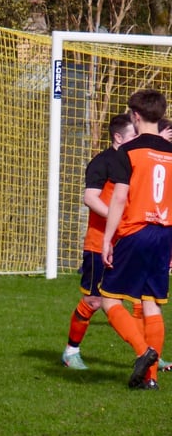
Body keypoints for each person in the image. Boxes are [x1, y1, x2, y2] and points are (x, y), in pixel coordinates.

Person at [63, 114, 172, 371]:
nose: (139, 140)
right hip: (100, 242)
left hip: (130, 241)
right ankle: (71, 351)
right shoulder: (103, 162)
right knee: (95, 301)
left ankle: (149, 355)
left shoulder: (138, 159)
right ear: (118, 137)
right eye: (134, 136)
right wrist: (119, 216)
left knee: (141, 300)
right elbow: (90, 198)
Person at [100, 89, 172, 390]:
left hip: (136, 231)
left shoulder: (127, 151)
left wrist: (107, 239)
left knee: (108, 299)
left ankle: (144, 352)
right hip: (165, 232)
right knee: (152, 302)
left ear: (136, 116)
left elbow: (118, 198)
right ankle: (150, 378)